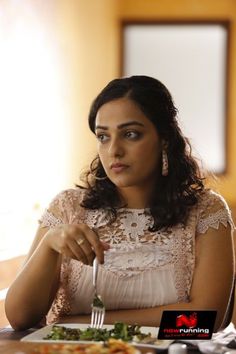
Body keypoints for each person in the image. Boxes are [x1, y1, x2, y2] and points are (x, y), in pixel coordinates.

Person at [5, 75, 235, 331]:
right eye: (103, 136)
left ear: (164, 140)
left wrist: (85, 324)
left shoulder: (205, 211)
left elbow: (204, 322)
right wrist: (49, 245)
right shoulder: (68, 208)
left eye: (131, 134)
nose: (114, 149)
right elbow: (19, 318)